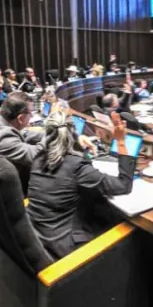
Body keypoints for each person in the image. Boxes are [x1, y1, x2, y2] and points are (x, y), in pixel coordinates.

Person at [26, 111, 136, 260]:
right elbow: (123, 185)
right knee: (125, 226)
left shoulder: (38, 158)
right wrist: (121, 142)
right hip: (67, 250)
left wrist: (77, 144)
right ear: (73, 133)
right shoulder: (76, 167)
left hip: (38, 236)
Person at [0, 91, 67, 191]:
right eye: (30, 113)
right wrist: (54, 124)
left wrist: (50, 134)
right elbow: (37, 155)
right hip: (8, 190)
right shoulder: (2, 138)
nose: (32, 116)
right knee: (63, 175)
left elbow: (24, 134)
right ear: (20, 118)